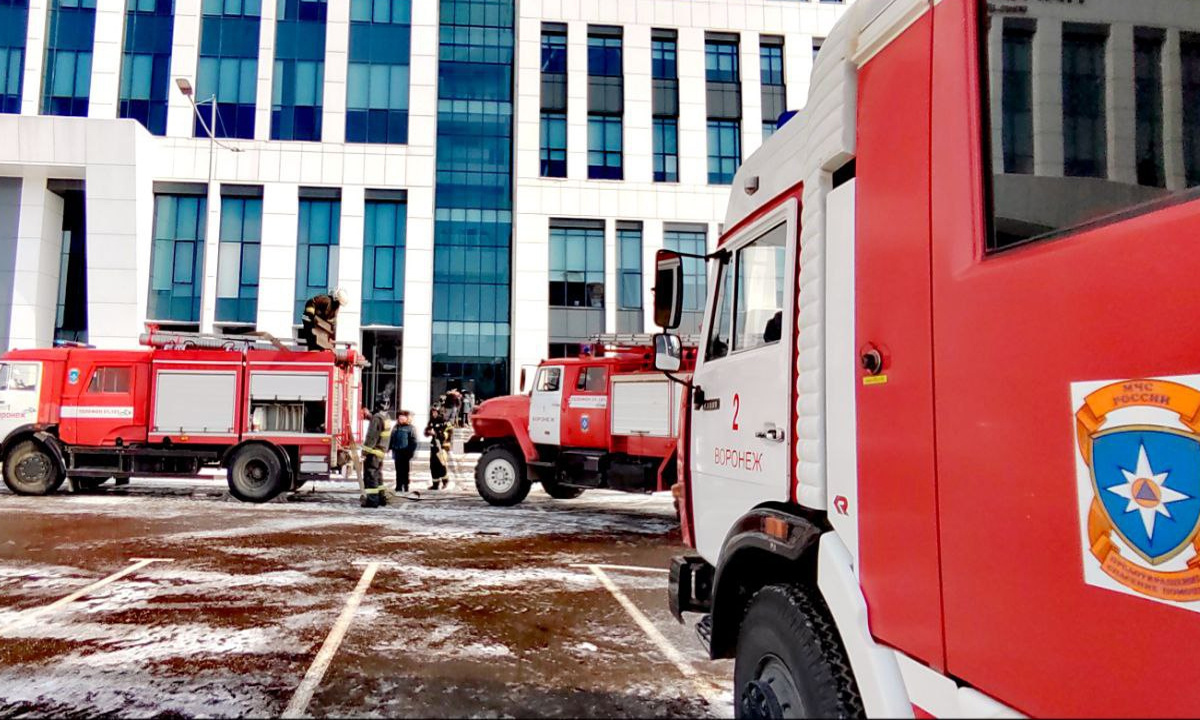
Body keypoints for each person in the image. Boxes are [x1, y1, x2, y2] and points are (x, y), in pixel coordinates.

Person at [360, 395, 393, 508]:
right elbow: (379, 426)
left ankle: (372, 501)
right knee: (378, 475)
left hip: (373, 452)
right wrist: (369, 415)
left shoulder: (377, 418)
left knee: (371, 476)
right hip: (381, 451)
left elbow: (372, 437)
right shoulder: (386, 417)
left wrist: (364, 451)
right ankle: (381, 498)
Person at [389, 409, 418, 494]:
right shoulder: (396, 427)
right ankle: (398, 486)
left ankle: (405, 485)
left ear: (406, 418)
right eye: (399, 417)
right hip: (397, 451)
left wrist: (410, 451)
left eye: (403, 417)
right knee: (398, 470)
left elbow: (414, 441)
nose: (401, 419)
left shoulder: (410, 428)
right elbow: (391, 438)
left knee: (405, 470)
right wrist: (389, 447)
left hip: (405, 451)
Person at [425, 407, 452, 490]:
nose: (434, 414)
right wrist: (428, 432)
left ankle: (445, 482)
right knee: (433, 465)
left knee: (441, 465)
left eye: (435, 412)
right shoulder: (432, 421)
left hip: (442, 446)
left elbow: (448, 434)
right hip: (434, 446)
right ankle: (435, 484)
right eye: (432, 413)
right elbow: (426, 431)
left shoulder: (445, 422)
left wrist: (437, 433)